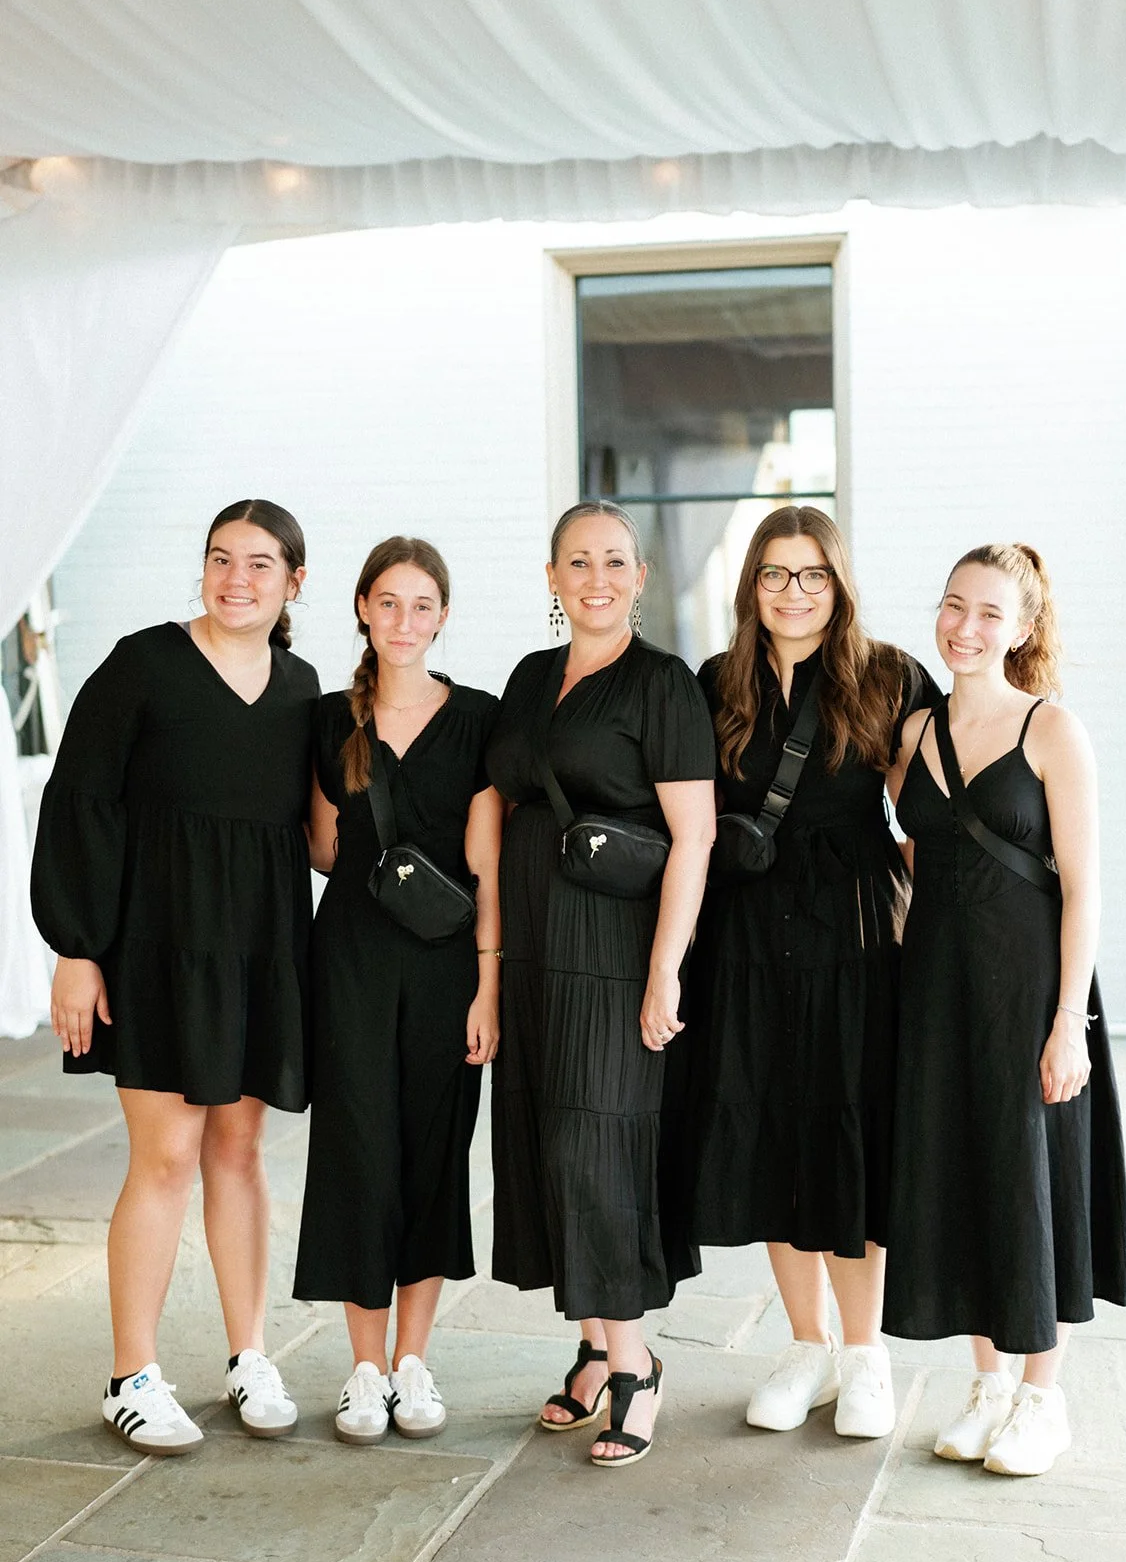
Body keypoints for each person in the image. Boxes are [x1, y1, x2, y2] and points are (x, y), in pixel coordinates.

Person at [31, 500, 319, 1456]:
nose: (237, 579)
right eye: (220, 559)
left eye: (260, 565)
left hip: (258, 953)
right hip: (157, 949)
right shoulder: (140, 665)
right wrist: (76, 947)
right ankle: (133, 1375)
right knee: (162, 1159)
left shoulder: (303, 688)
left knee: (239, 1157)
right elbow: (80, 804)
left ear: (293, 584)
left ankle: (249, 1356)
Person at [688, 504, 940, 1440]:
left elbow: (928, 819)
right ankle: (805, 1343)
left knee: (848, 1124)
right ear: (750, 586)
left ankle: (863, 1353)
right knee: (772, 1127)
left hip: (857, 925)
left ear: (837, 584)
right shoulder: (717, 682)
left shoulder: (889, 676)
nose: (793, 592)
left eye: (812, 575)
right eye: (774, 574)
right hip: (747, 930)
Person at [883, 542, 1126, 1476]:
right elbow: (917, 858)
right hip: (938, 990)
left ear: (1022, 629)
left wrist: (1069, 1021)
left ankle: (1040, 1397)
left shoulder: (1051, 731)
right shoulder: (909, 736)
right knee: (958, 1172)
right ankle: (986, 1382)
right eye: (953, 605)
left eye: (989, 613)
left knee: (1032, 1178)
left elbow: (1085, 888)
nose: (965, 627)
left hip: (1029, 988)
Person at [485, 500, 715, 1467]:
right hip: (536, 941)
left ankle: (636, 1367)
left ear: (640, 578)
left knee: (597, 1146)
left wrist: (665, 969)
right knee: (547, 1138)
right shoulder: (530, 678)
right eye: (577, 562)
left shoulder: (662, 685)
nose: (596, 577)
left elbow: (693, 836)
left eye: (614, 561)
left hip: (615, 944)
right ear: (550, 578)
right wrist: (489, 969)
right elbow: (495, 808)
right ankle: (590, 1350)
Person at [292, 537, 502, 1444]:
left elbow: (488, 867)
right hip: (349, 960)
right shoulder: (325, 718)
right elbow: (322, 848)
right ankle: (363, 1368)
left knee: (432, 1147)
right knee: (355, 1151)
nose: (404, 622)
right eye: (388, 603)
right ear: (362, 610)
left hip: (451, 963)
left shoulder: (481, 719)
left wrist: (489, 986)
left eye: (421, 606)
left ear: (443, 616)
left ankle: (413, 1364)